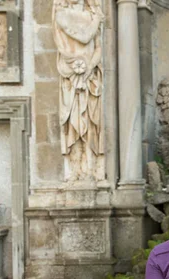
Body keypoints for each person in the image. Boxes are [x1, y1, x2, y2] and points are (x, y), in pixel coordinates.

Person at [53, 0, 105, 181]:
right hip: (72, 77)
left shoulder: (91, 16)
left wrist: (90, 66)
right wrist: (97, 20)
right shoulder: (62, 15)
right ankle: (74, 169)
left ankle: (91, 168)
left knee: (93, 123)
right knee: (73, 122)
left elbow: (98, 47)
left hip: (90, 76)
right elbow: (84, 37)